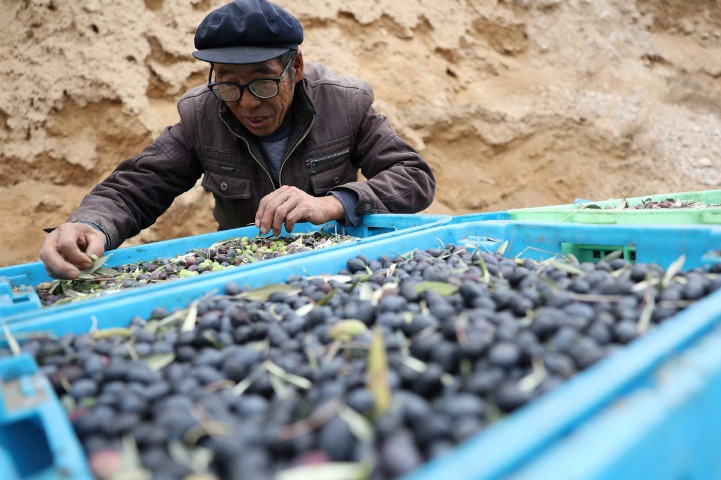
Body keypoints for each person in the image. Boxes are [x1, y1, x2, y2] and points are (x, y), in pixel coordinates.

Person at [39, 0, 435, 280]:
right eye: (228, 82)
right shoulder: (201, 115)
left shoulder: (344, 102)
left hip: (335, 265)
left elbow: (413, 176)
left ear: (294, 68)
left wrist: (333, 203)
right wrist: (90, 225)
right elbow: (136, 187)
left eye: (263, 82)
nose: (247, 103)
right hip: (242, 271)